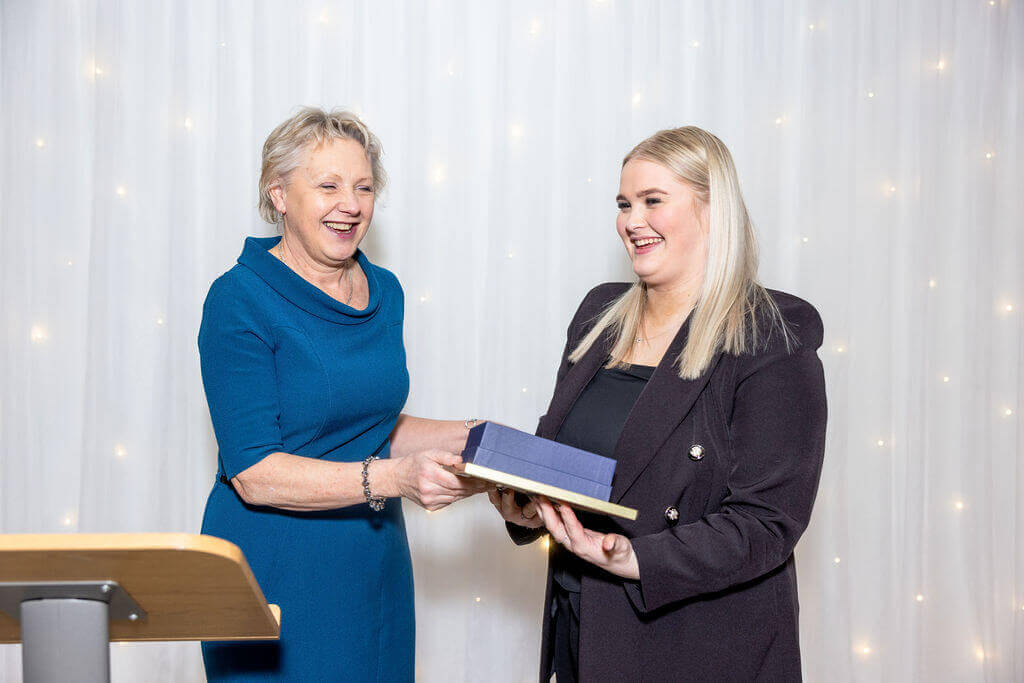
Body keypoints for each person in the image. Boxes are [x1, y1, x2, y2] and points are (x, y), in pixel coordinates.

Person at [490, 126, 827, 681]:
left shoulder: (771, 336)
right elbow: (566, 458)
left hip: (695, 647)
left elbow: (767, 523)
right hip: (583, 626)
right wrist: (527, 508)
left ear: (712, 210)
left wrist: (633, 557)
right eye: (624, 204)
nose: (632, 221)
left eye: (652, 201)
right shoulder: (599, 313)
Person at [199, 107, 486, 682]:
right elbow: (253, 471)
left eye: (363, 187)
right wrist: (397, 479)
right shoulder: (238, 300)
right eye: (327, 185)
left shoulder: (385, 291)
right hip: (273, 569)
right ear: (279, 196)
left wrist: (482, 442)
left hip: (372, 562)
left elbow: (370, 425)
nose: (349, 204)